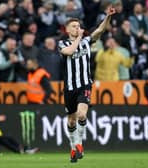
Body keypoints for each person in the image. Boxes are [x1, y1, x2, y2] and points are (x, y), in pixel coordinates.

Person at [58, 6, 116, 163]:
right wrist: (78, 38)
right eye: (74, 27)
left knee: (82, 114)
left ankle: (79, 144)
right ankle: (73, 147)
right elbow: (69, 52)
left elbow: (99, 30)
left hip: (84, 85)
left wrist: (107, 17)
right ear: (67, 29)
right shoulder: (62, 44)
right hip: (69, 87)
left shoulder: (86, 41)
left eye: (78, 26)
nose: (78, 28)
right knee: (71, 120)